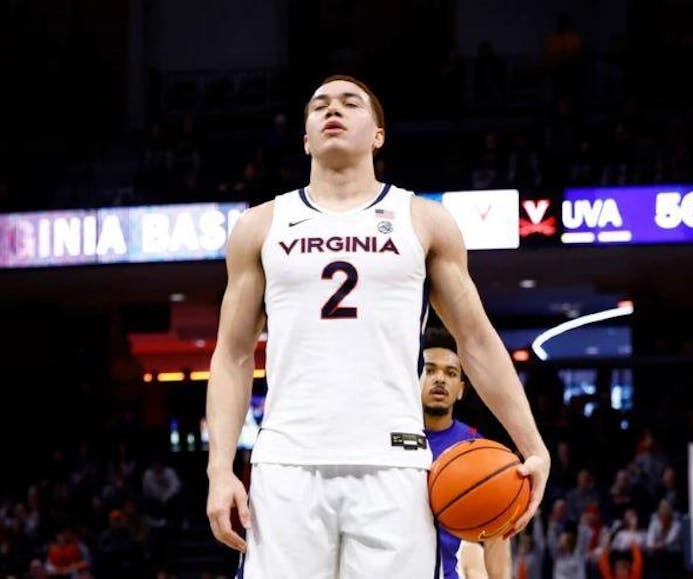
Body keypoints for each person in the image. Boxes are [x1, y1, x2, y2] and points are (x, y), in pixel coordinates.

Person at [205, 74, 550, 578]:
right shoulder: (260, 226)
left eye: (350, 103)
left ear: (378, 134)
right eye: (319, 105)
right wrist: (219, 469)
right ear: (306, 137)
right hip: (286, 465)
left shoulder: (424, 221)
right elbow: (232, 356)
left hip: (394, 466)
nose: (332, 110)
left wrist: (533, 444)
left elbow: (476, 341)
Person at [421, 326, 512, 578]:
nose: (440, 379)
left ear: (460, 389)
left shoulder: (475, 449)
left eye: (450, 373)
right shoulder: (385, 440)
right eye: (429, 370)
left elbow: (497, 535)